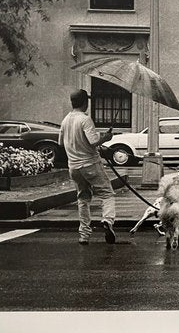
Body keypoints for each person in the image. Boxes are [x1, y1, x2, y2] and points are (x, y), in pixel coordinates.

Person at [58, 89, 116, 245]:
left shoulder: (65, 120)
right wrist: (106, 137)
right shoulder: (85, 119)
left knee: (83, 198)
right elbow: (93, 141)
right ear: (85, 102)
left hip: (74, 167)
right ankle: (108, 220)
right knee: (107, 193)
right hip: (90, 164)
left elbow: (60, 142)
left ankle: (84, 235)